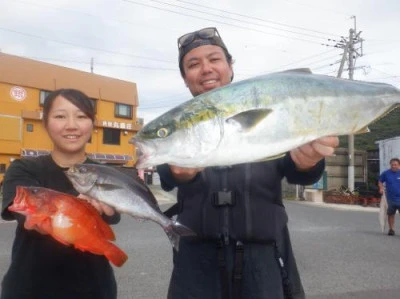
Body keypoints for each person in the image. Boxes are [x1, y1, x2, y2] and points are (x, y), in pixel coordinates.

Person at [157, 27, 339, 299]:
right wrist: (178, 171)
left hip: (264, 258)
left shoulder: (269, 112)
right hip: (196, 263)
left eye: (214, 59)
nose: (206, 69)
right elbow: (167, 173)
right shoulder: (175, 126)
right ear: (185, 79)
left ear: (230, 66)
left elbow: (299, 172)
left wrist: (308, 161)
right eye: (193, 64)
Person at [1, 89, 119, 299]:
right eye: (60, 116)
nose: (71, 125)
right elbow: (26, 216)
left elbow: (113, 215)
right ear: (45, 123)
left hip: (94, 289)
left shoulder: (106, 175)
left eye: (81, 116)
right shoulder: (23, 168)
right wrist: (62, 211)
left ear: (93, 124)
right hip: (28, 289)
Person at [378, 158, 400, 236]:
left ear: (399, 165)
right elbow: (380, 181)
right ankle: (391, 229)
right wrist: (381, 188)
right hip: (390, 199)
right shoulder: (386, 173)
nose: (394, 166)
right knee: (390, 214)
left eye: (395, 165)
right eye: (392, 165)